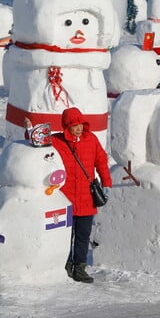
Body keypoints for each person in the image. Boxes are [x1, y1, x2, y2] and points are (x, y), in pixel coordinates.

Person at [51, 107, 112, 283]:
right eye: (74, 125)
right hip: (65, 199)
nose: (78, 128)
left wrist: (106, 183)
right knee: (65, 235)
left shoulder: (91, 139)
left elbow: (101, 161)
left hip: (86, 198)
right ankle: (66, 263)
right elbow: (37, 143)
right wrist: (29, 130)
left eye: (80, 124)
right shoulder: (56, 141)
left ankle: (80, 267)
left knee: (83, 235)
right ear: (66, 126)